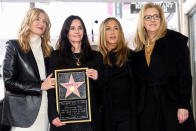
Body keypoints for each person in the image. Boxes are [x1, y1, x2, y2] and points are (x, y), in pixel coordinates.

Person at [132, 2, 196, 131]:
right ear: (142, 21)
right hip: (148, 108)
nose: (152, 20)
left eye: (156, 16)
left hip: (171, 103)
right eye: (147, 17)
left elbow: (185, 76)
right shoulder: (139, 47)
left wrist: (183, 105)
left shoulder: (176, 41)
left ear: (161, 19)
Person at [1, 8, 55, 131]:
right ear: (28, 21)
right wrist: (40, 86)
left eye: (45, 21)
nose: (41, 23)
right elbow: (9, 82)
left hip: (46, 108)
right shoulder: (14, 46)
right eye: (37, 19)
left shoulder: (49, 50)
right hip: (23, 112)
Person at [47, 15, 103, 131]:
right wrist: (53, 115)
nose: (77, 31)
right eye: (72, 28)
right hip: (64, 119)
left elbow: (102, 90)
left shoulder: (96, 57)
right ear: (66, 32)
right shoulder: (55, 56)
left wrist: (98, 77)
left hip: (89, 119)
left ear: (84, 31)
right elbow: (51, 89)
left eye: (80, 28)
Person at [97, 17, 137, 131]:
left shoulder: (131, 56)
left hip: (127, 115)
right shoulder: (96, 58)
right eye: (108, 29)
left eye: (116, 28)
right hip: (105, 115)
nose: (113, 32)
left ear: (120, 32)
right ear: (102, 33)